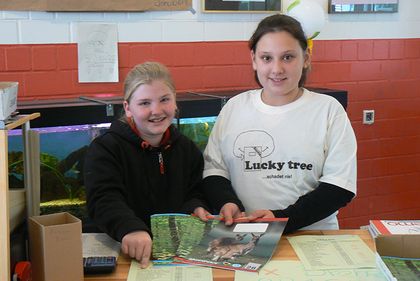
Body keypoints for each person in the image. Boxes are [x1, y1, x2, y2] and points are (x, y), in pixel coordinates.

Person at [202, 14, 357, 233]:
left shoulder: (328, 110)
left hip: (311, 237)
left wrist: (280, 220)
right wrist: (228, 203)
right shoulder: (234, 108)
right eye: (267, 58)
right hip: (244, 233)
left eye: (287, 57)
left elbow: (339, 188)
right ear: (254, 60)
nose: (277, 69)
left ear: (306, 59)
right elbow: (214, 172)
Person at [84, 62, 210, 268]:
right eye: (144, 103)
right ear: (128, 108)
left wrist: (195, 207)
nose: (156, 110)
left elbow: (195, 191)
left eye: (164, 100)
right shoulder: (106, 148)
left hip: (175, 254)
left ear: (175, 102)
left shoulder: (186, 148)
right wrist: (130, 228)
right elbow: (103, 198)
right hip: (123, 249)